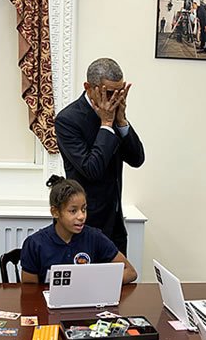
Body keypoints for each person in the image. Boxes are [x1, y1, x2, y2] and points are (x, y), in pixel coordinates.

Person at [55, 57, 145, 255]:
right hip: (83, 226)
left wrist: (121, 122)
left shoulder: (115, 114)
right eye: (110, 93)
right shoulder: (67, 120)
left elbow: (137, 159)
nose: (116, 99)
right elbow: (91, 169)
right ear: (89, 88)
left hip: (115, 226)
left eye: (120, 92)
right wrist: (106, 125)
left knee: (119, 284)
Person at [20, 175, 137, 285]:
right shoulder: (34, 244)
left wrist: (96, 283)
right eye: (73, 211)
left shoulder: (95, 237)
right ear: (55, 212)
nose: (81, 216)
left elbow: (130, 272)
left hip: (86, 303)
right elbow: (29, 292)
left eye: (84, 209)